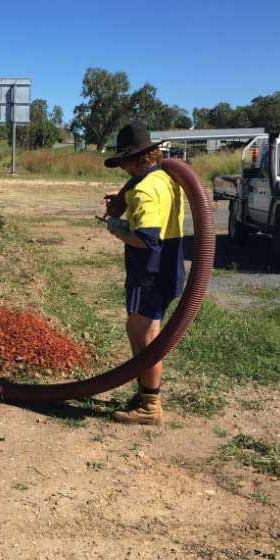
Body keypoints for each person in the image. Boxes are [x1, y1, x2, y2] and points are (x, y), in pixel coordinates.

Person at [102, 121, 185, 425]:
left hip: (148, 272)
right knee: (144, 331)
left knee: (143, 334)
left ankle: (150, 404)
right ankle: (146, 394)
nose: (122, 168)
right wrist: (126, 197)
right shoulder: (165, 178)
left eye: (123, 161)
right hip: (169, 267)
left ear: (135, 158)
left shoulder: (144, 190)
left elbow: (147, 239)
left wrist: (117, 230)